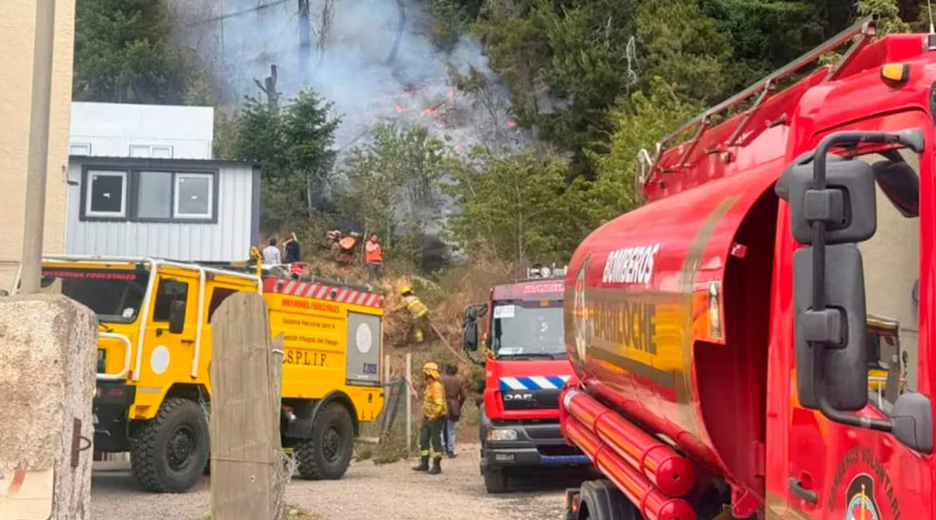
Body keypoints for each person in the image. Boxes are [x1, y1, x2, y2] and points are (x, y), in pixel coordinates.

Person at [413, 362, 447, 475]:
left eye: (424, 373)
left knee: (435, 441)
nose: (423, 375)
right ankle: (424, 463)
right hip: (427, 417)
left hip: (436, 418)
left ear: (429, 374)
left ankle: (437, 466)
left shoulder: (436, 387)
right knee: (423, 440)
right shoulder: (429, 386)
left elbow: (440, 404)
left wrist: (434, 415)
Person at [441, 363, 467, 458]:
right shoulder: (460, 380)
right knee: (451, 429)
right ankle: (451, 450)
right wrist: (459, 404)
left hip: (442, 403)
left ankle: (442, 448)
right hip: (454, 404)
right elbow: (463, 395)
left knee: (441, 427)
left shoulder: (441, 379)